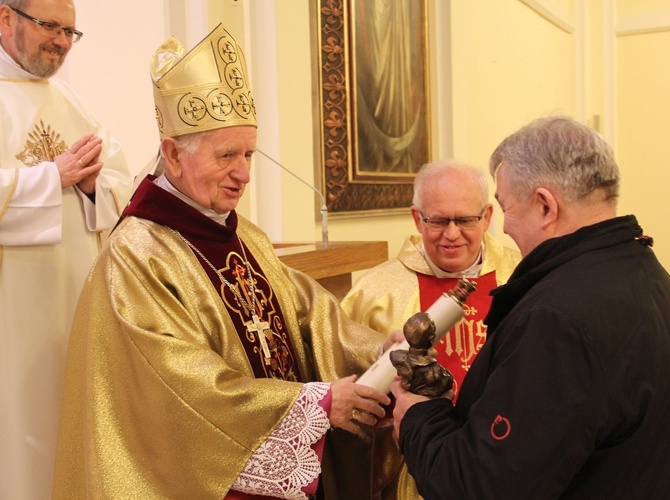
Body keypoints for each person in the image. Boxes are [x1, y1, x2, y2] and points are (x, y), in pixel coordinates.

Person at [52, 24, 393, 499]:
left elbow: (308, 314)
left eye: (250, 154)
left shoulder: (241, 233)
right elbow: (177, 390)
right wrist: (314, 403)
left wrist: (378, 350)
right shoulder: (135, 256)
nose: (244, 174)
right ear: (172, 154)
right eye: (227, 154)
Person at [390, 115, 670, 498]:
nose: (503, 229)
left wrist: (418, 417)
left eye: (505, 208)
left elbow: (480, 486)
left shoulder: (557, 318)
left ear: (544, 206)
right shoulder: (646, 272)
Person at [0, 0, 131, 497]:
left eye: (71, 31)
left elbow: (121, 189)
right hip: (11, 323)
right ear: (6, 18)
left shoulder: (74, 104)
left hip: (76, 313)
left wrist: (96, 186)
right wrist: (49, 177)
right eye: (49, 26)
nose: (61, 40)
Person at [341, 160, 521, 498]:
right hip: (412, 467)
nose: (451, 234)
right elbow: (347, 379)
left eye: (465, 220)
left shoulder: (521, 277)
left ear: (487, 216)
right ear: (416, 218)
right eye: (437, 220)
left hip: (503, 456)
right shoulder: (376, 292)